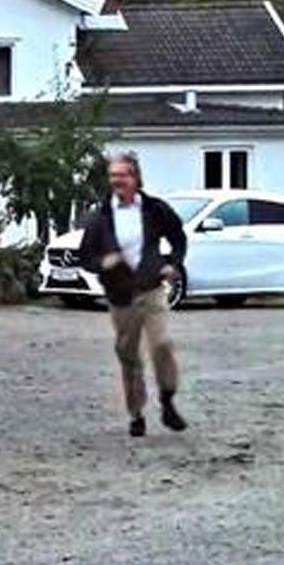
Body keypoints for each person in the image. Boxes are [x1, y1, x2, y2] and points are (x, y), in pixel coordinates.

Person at [81, 152, 189, 437]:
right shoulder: (100, 218)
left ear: (135, 177)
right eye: (113, 176)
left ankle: (167, 399)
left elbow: (178, 237)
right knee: (129, 357)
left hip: (152, 289)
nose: (117, 180)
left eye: (123, 175)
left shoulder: (155, 209)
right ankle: (137, 413)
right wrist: (103, 264)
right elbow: (85, 257)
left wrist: (172, 263)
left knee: (162, 344)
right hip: (121, 296)